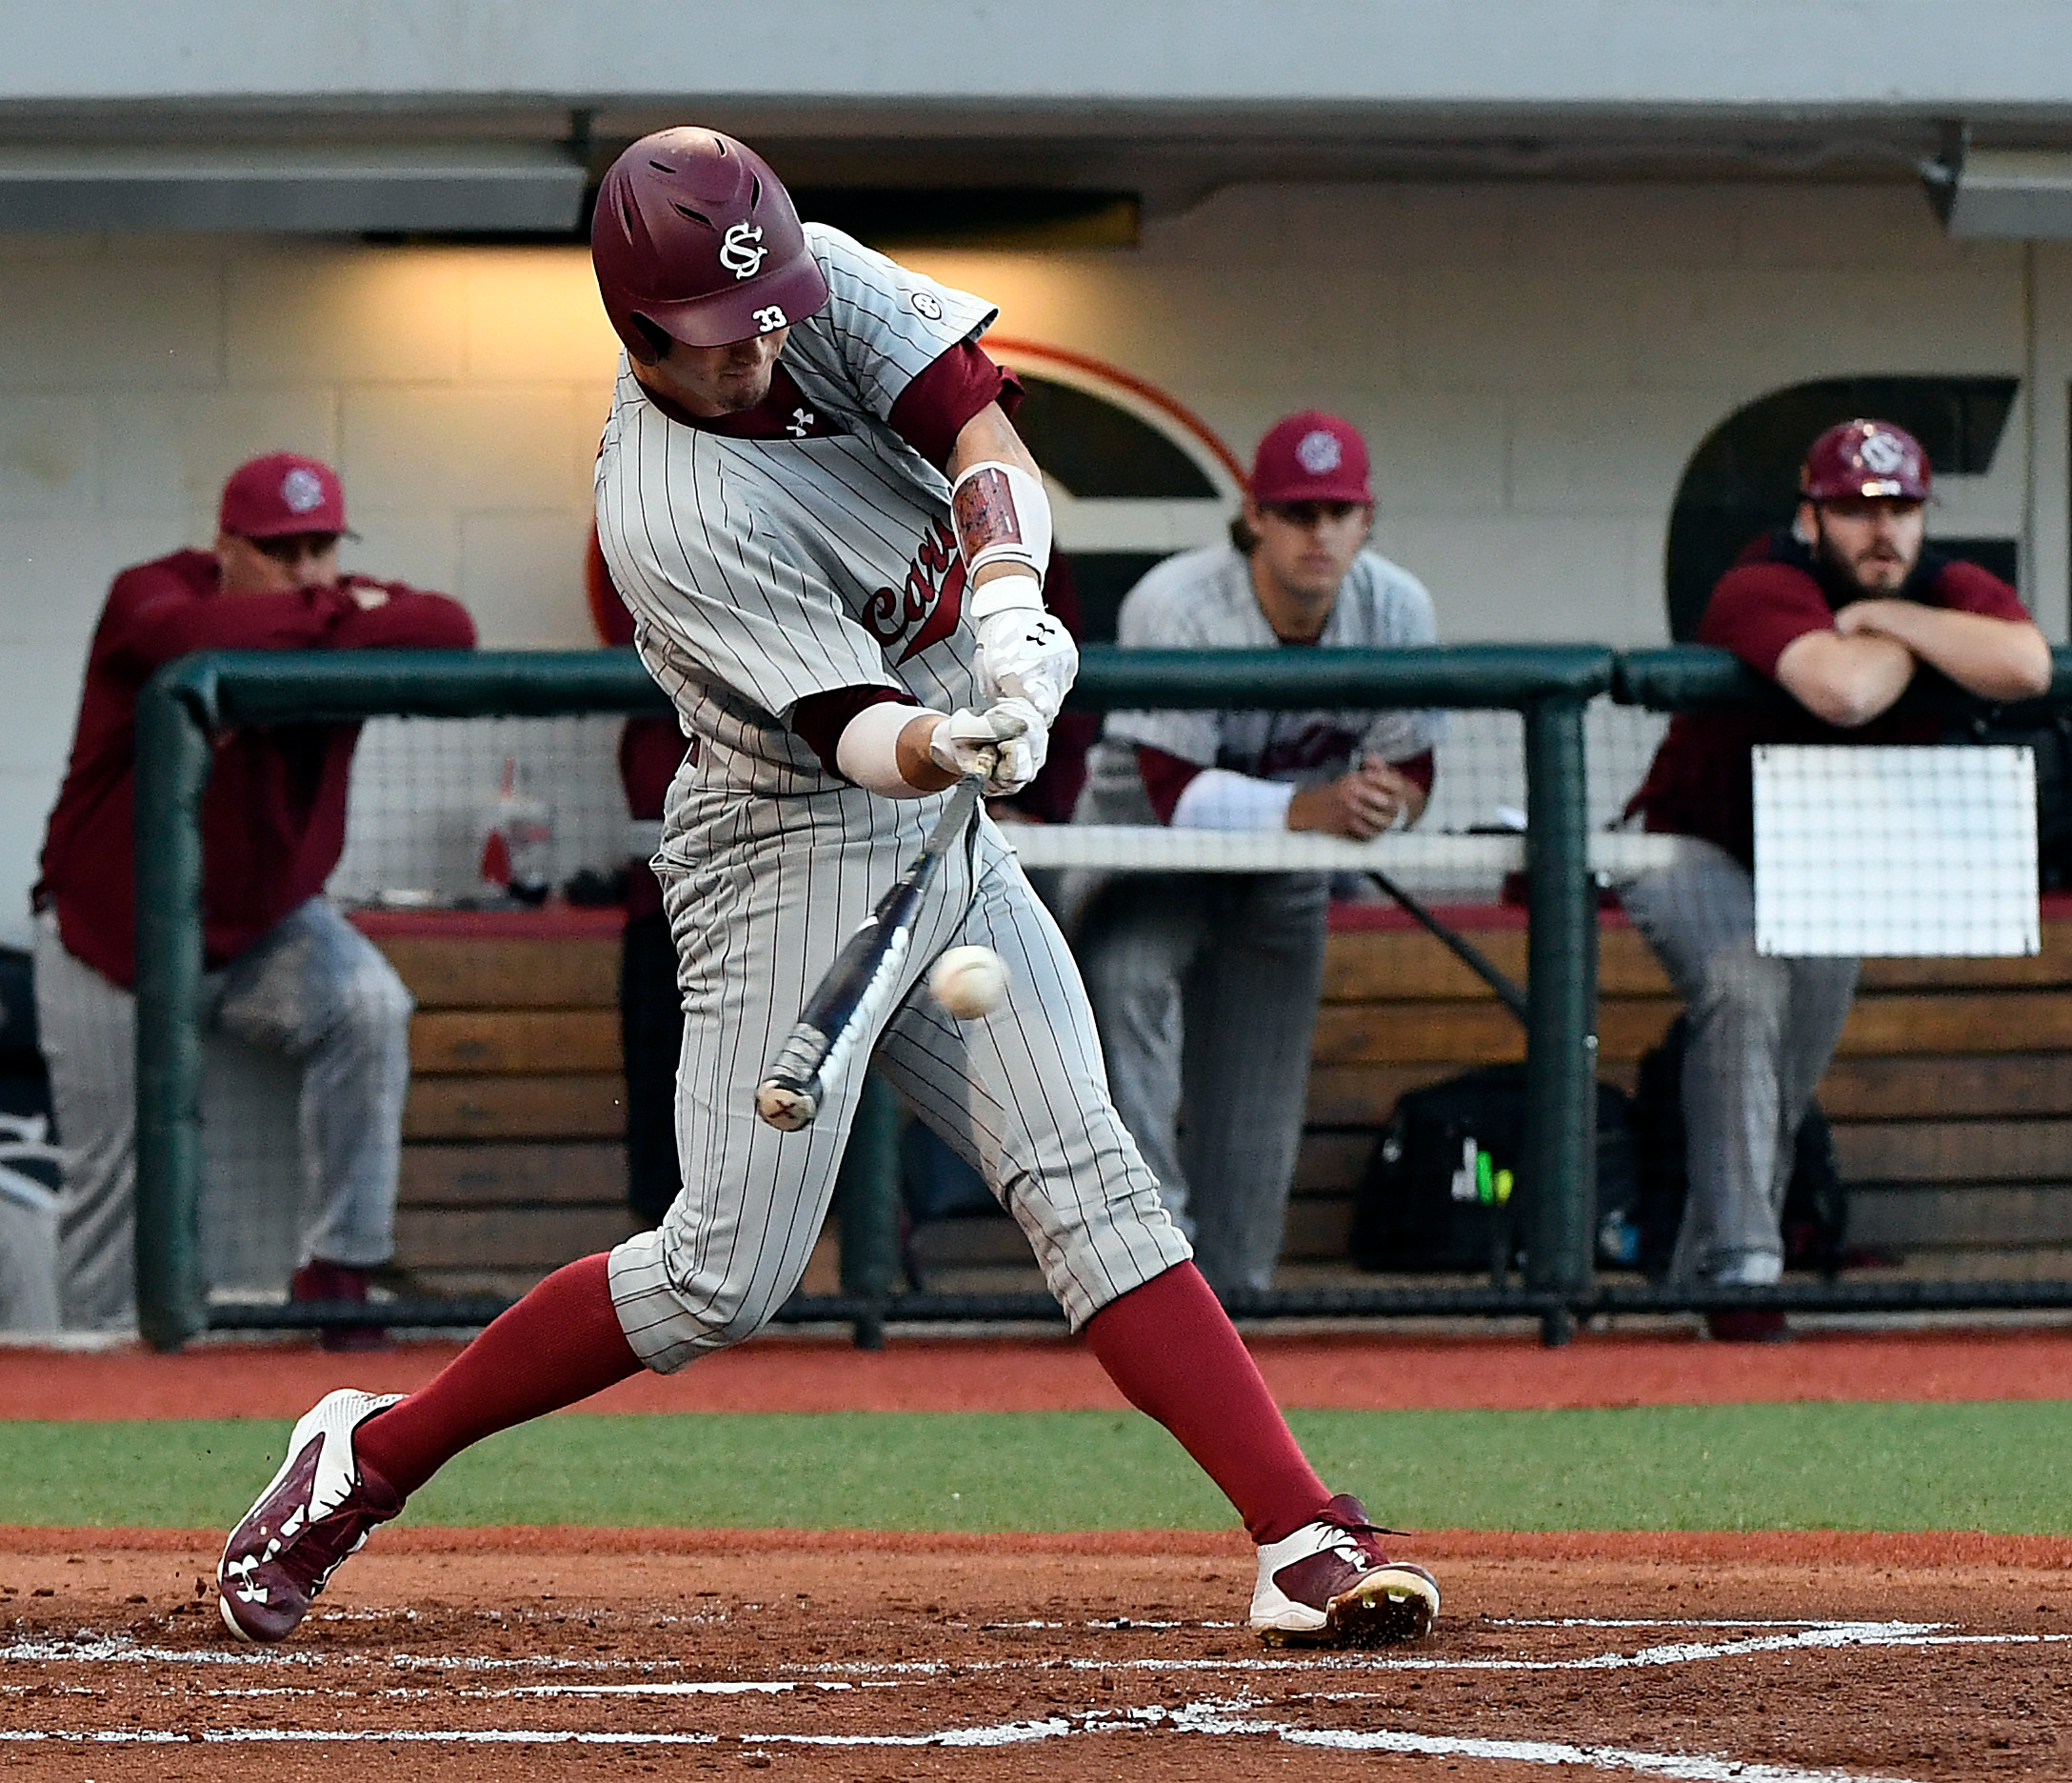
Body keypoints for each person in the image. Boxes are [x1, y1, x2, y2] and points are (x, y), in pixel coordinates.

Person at [216, 128, 1440, 1653]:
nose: (757, 349)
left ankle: (1300, 1531)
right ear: (636, 329)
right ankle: (367, 1456)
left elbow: (984, 438)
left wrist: (1011, 617)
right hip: (783, 836)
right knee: (721, 1279)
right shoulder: (671, 515)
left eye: (767, 314)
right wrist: (953, 732)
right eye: (717, 343)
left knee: (1090, 1173)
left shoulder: (812, 276)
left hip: (945, 806)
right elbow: (851, 734)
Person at [31, 453, 476, 1343]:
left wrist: (304, 615)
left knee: (368, 1006)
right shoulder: (150, 592)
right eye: (282, 552)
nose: (310, 571)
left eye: (322, 550)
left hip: (263, 929)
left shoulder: (310, 608)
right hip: (107, 936)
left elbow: (448, 625)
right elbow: (182, 641)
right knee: (115, 1185)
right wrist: (345, 617)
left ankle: (342, 1273)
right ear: (225, 545)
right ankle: (89, 1376)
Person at [1622, 419, 2050, 1339]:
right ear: (1811, 518)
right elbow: (1842, 691)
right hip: (1690, 844)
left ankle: (1705, 1270)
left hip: (1825, 861)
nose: (1882, 530)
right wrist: (1931, 645)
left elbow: (2026, 664)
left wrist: (1888, 621)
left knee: (1786, 1064)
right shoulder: (1760, 580)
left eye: (1899, 508)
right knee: (1742, 987)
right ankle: (1745, 1272)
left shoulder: (1934, 589)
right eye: (1857, 511)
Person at [1067, 412, 1440, 1299]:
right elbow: (1172, 792)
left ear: (1366, 519)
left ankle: (1237, 1290)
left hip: (1283, 870)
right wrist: (1318, 808)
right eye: (1297, 511)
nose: (1319, 533)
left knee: (1261, 1083)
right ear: (1255, 518)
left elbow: (1415, 766)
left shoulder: (1397, 606)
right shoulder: (1179, 600)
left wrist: (1390, 803)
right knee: (1125, 995)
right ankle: (1144, 1276)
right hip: (1145, 861)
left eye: (1337, 512)